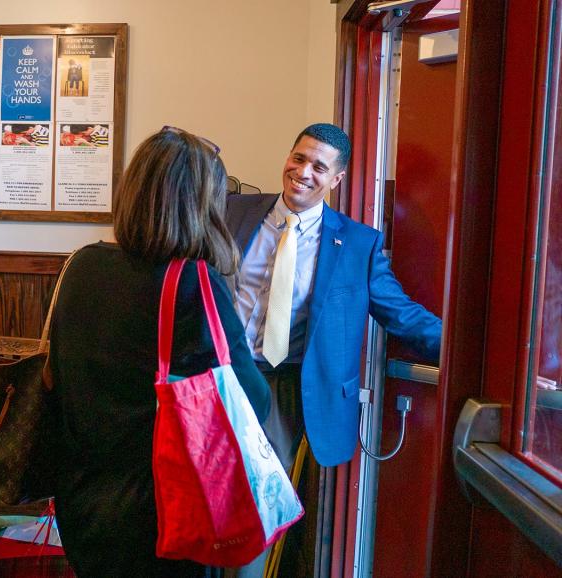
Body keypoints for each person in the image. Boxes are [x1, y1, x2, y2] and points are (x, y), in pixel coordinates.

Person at [49, 127, 272, 578]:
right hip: (161, 514)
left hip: (81, 501)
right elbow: (252, 402)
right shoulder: (194, 283)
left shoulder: (81, 265)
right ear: (201, 206)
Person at [225, 123, 442, 577]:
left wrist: (469, 356)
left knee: (260, 503)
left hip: (281, 390)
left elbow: (401, 313)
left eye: (318, 167)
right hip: (219, 376)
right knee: (201, 487)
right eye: (298, 158)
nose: (303, 172)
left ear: (336, 179)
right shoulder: (232, 211)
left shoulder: (358, 244)